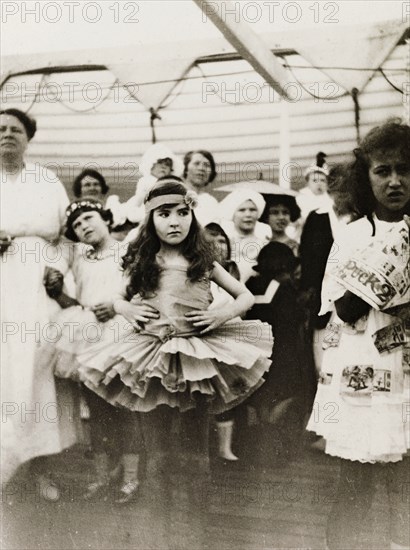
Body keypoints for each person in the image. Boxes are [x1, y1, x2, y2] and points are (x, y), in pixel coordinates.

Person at [75, 178, 273, 475]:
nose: (174, 222)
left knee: (196, 446)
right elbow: (117, 298)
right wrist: (127, 308)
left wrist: (222, 315)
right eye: (163, 214)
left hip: (197, 357)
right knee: (157, 445)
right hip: (151, 356)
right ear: (150, 220)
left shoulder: (204, 261)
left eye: (182, 212)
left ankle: (195, 513)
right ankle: (162, 514)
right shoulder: (144, 260)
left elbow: (244, 296)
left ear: (192, 216)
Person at [306, 121, 410, 550]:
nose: (395, 180)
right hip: (361, 375)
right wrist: (386, 263)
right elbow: (343, 310)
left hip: (407, 373)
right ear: (366, 179)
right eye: (382, 170)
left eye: (404, 169)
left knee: (406, 486)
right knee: (356, 484)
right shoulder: (350, 236)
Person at [43, 199, 143, 504]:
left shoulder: (128, 251)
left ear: (106, 219)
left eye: (89, 218)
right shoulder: (78, 258)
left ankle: (130, 478)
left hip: (121, 332)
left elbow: (141, 292)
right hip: (86, 334)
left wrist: (116, 306)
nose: (84, 226)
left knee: (124, 408)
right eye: (77, 225)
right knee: (97, 411)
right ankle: (102, 476)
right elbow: (73, 299)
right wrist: (56, 289)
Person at [0, 108, 77, 497]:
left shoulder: (46, 180)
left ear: (28, 137)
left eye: (15, 129)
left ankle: (39, 469)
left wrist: (59, 270)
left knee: (35, 368)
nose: (7, 134)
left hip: (37, 283)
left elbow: (66, 235)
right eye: (0, 129)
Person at [245, 242, 315, 462]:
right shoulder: (284, 285)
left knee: (261, 395)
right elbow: (292, 318)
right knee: (288, 393)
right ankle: (275, 438)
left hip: (255, 349)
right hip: (284, 350)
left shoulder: (251, 282)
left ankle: (261, 438)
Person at [299, 163, 357, 371]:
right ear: (330, 191)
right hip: (324, 302)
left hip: (355, 300)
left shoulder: (361, 218)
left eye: (348, 191)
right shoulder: (317, 217)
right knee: (325, 359)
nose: (344, 197)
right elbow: (307, 259)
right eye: (338, 191)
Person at [204, 222, 241, 461]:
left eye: (222, 241)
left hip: (228, 331)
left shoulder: (231, 269)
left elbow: (238, 298)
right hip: (205, 334)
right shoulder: (201, 270)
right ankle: (206, 445)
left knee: (228, 391)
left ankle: (225, 447)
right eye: (212, 241)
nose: (219, 246)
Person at [219, 189, 270, 282]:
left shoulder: (264, 243)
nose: (248, 214)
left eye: (252, 210)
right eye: (242, 210)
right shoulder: (225, 243)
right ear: (233, 214)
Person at [183, 150, 219, 226]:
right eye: (196, 163)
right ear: (186, 169)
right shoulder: (177, 196)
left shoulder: (212, 202)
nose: (202, 168)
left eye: (207, 165)